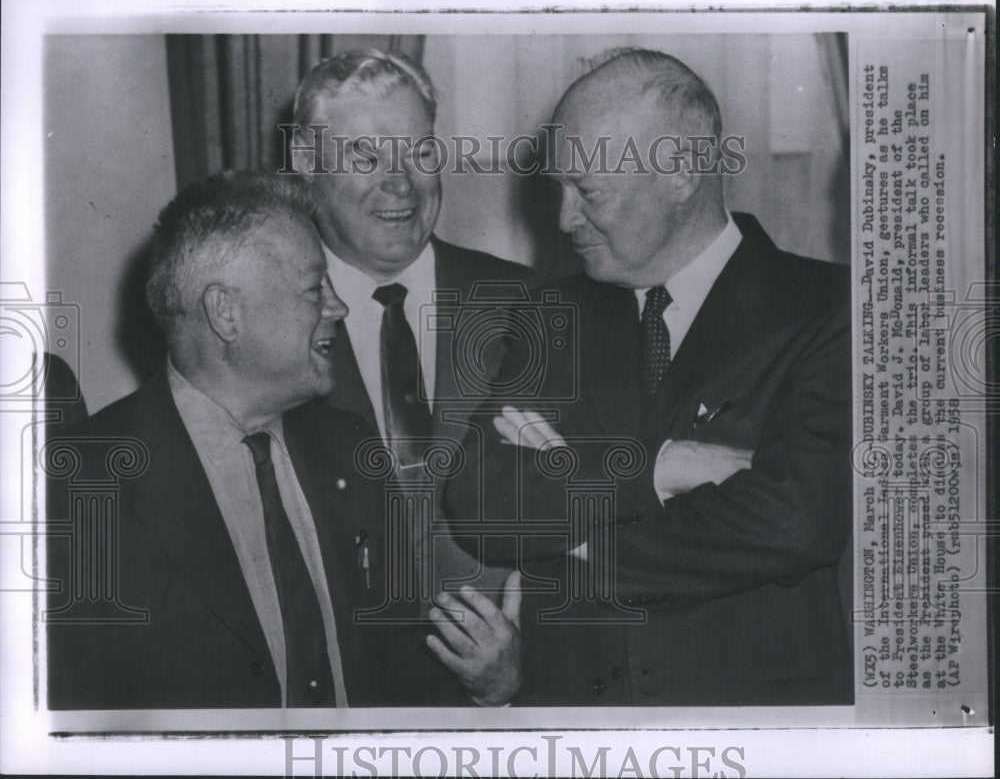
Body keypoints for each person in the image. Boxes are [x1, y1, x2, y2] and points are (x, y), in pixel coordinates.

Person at [444, 48, 853, 706]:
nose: (563, 220)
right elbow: (481, 500)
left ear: (683, 171)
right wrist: (660, 469)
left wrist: (575, 546)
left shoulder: (830, 309)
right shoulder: (555, 316)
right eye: (558, 188)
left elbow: (795, 519)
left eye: (589, 192)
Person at [45, 171, 514, 709]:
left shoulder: (350, 449)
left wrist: (488, 690)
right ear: (226, 312)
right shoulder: (81, 486)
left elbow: (402, 657)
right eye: (315, 288)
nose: (338, 308)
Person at [289, 50, 537, 679]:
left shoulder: (532, 307)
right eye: (366, 158)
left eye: (420, 154)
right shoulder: (270, 327)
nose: (400, 184)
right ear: (304, 164)